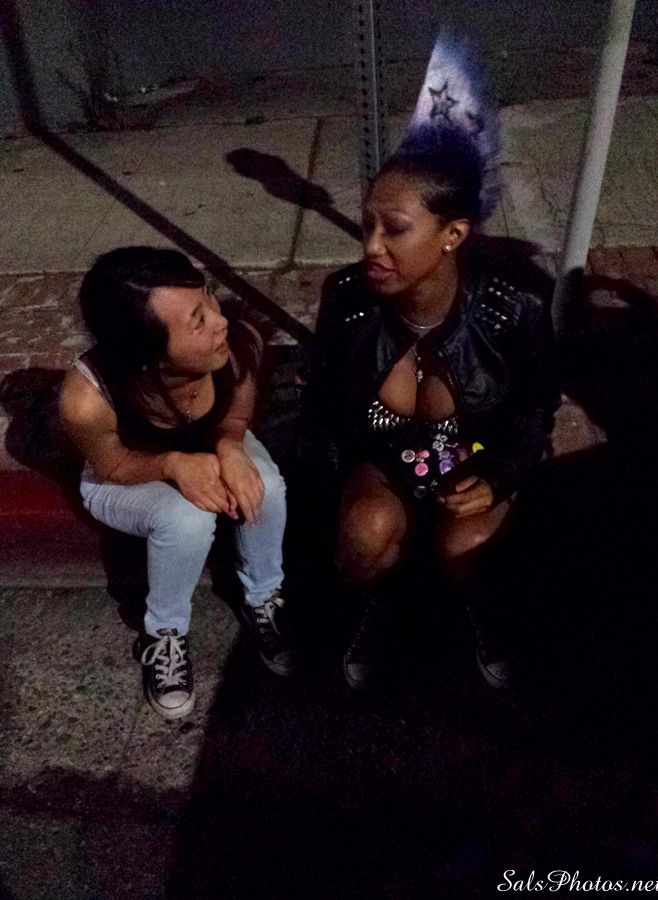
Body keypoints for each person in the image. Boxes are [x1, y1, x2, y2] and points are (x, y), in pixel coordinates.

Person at [307, 34, 559, 690]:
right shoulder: (348, 300)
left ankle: (484, 607)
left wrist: (499, 476)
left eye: (394, 228)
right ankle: (382, 604)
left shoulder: (514, 307)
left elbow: (535, 407)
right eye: (367, 224)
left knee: (464, 542)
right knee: (362, 537)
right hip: (384, 461)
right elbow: (324, 405)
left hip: (473, 457)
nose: (371, 246)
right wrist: (339, 491)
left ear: (452, 234)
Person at [59, 246, 294, 720]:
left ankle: (264, 596)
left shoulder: (236, 342)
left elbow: (237, 413)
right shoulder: (86, 398)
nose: (220, 321)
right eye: (197, 321)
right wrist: (171, 465)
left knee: (263, 484)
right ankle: (164, 633)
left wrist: (229, 445)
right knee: (185, 516)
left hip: (206, 446)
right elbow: (113, 466)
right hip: (123, 475)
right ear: (145, 354)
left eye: (209, 298)